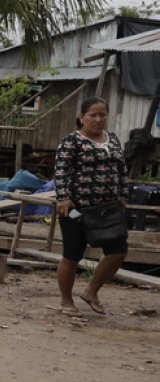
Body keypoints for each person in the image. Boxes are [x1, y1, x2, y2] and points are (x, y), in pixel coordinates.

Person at [54, 97, 130, 317]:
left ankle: (91, 291)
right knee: (72, 254)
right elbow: (61, 171)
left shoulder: (113, 139)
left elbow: (121, 170)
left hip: (108, 207)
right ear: (81, 117)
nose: (98, 119)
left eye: (102, 115)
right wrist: (63, 198)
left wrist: (123, 195)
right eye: (93, 115)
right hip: (77, 208)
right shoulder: (72, 141)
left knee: (118, 251)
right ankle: (66, 301)